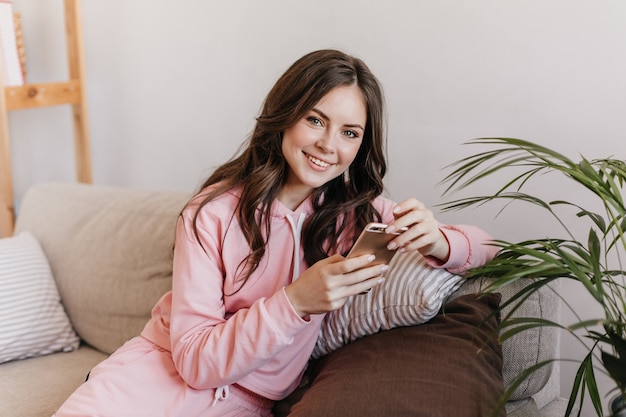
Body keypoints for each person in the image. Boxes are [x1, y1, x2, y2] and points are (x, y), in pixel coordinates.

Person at [54, 49, 498, 417]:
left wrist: (442, 242)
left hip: (248, 402)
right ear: (284, 116)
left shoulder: (357, 217)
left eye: (349, 132)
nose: (329, 145)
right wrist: (295, 302)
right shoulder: (211, 212)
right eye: (315, 120)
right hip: (151, 378)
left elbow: (494, 248)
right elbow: (193, 361)